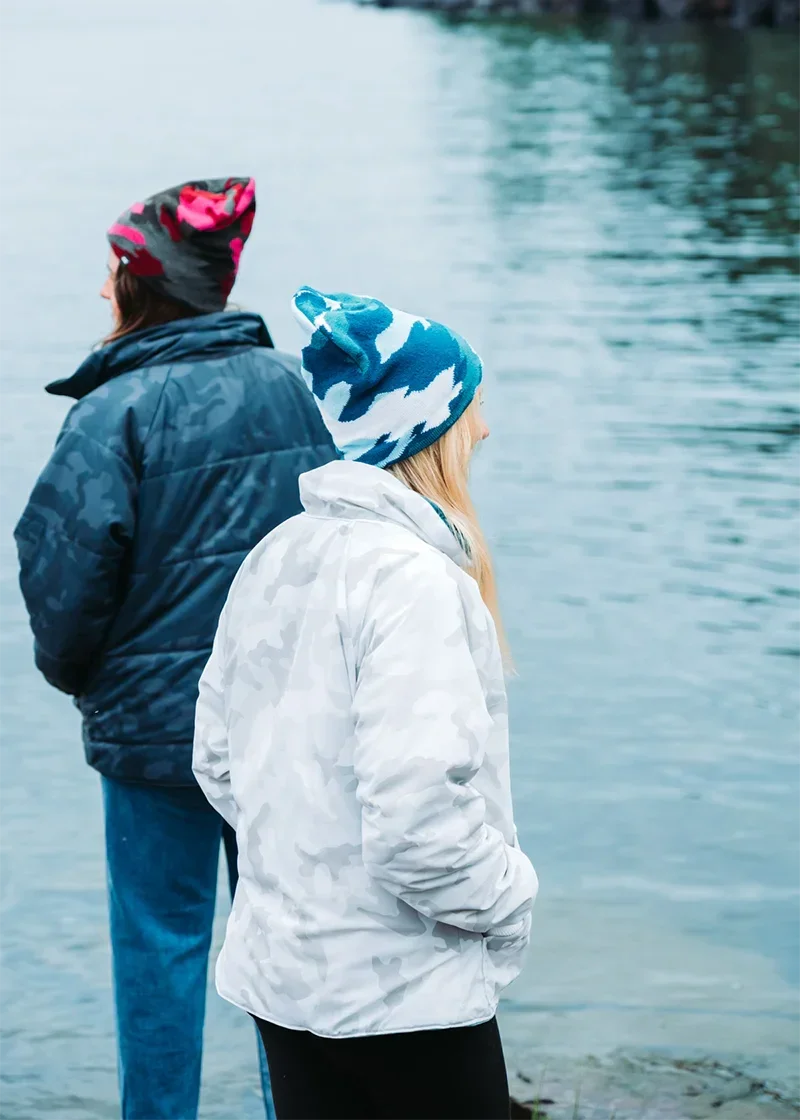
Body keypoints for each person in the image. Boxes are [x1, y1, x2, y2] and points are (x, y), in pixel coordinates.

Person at [14, 182, 335, 1120]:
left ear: (136, 283)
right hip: (284, 731)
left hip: (156, 740)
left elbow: (63, 577)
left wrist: (83, 681)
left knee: (160, 950)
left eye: (111, 270)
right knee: (288, 954)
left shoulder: (113, 410)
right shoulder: (295, 387)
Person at [193, 286, 539, 1120]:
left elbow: (216, 759)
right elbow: (418, 826)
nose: (485, 429)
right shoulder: (414, 581)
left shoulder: (279, 554)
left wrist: (307, 866)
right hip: (403, 997)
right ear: (430, 428)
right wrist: (511, 898)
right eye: (474, 408)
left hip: (287, 986)